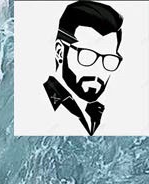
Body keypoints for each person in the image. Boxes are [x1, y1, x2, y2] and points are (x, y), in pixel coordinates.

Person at [44, 0, 124, 135]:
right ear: (60, 52)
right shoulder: (46, 107)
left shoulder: (97, 112)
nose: (99, 70)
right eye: (87, 56)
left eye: (109, 58)